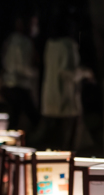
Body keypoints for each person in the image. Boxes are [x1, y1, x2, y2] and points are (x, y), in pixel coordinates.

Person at [39, 16, 93, 150]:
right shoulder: (68, 45)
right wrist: (86, 73)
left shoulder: (50, 45)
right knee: (68, 140)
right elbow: (69, 73)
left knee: (54, 140)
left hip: (50, 97)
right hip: (66, 99)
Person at [1, 15, 40, 130]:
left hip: (10, 83)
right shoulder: (22, 42)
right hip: (17, 84)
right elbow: (22, 67)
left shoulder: (11, 40)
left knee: (16, 115)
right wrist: (36, 73)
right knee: (30, 115)